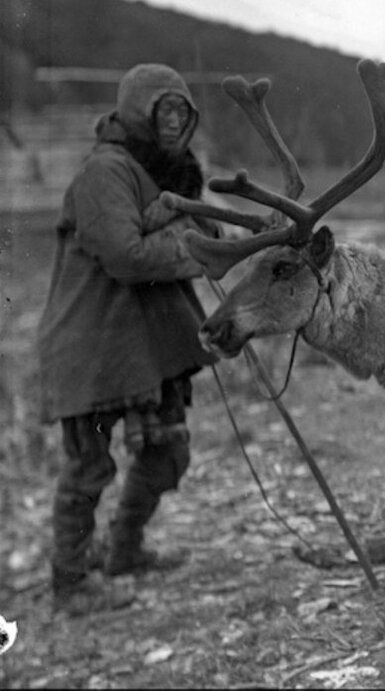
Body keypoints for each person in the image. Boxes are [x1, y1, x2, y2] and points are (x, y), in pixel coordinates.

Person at [35, 63, 220, 616]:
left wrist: (188, 233)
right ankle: (70, 581)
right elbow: (126, 256)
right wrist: (187, 240)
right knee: (90, 466)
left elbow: (208, 230)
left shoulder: (170, 171)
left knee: (168, 452)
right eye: (162, 110)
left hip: (146, 345)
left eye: (181, 112)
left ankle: (124, 549)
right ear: (137, 111)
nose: (172, 123)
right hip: (92, 344)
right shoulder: (105, 172)